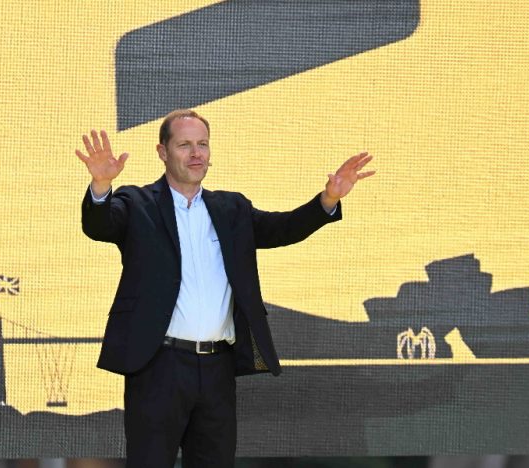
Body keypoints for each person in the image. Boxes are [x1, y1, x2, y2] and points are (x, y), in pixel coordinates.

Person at [76, 109, 374, 468]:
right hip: (158, 366)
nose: (196, 153)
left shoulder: (231, 208)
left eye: (202, 144)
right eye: (185, 145)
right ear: (162, 152)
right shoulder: (138, 203)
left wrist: (327, 199)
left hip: (218, 367)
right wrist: (101, 187)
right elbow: (100, 226)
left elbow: (282, 229)